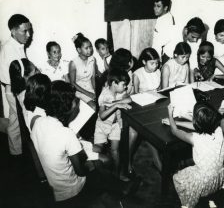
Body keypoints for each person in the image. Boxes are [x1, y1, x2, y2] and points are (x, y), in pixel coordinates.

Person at [30, 80, 140, 206]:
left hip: (53, 181)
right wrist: (92, 163)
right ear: (69, 106)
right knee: (99, 166)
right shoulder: (66, 134)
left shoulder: (37, 122)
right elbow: (81, 171)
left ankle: (118, 187)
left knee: (99, 161)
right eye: (75, 100)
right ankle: (117, 190)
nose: (77, 103)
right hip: (72, 189)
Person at [165, 102, 224, 208]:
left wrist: (170, 116)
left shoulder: (194, 138)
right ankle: (209, 200)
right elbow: (202, 124)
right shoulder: (219, 130)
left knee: (178, 177)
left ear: (196, 122)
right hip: (217, 178)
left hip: (202, 181)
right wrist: (178, 122)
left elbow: (174, 131)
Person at [0, 14, 33, 155]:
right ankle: (35, 155)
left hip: (13, 89)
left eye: (29, 30)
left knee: (14, 122)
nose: (29, 34)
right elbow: (16, 76)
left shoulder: (18, 45)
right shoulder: (9, 48)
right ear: (13, 31)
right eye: (24, 31)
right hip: (15, 90)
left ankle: (15, 152)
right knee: (28, 120)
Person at [93, 69, 132, 180]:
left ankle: (117, 174)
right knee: (98, 150)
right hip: (102, 126)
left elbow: (129, 99)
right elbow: (102, 116)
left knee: (115, 151)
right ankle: (100, 175)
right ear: (114, 83)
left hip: (115, 125)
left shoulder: (121, 92)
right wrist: (116, 106)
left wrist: (115, 103)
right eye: (124, 84)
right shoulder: (104, 95)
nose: (126, 87)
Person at [9, 58, 40, 129]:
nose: (39, 72)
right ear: (26, 77)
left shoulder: (22, 90)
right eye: (35, 71)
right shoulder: (28, 95)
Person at [69, 33, 97, 110]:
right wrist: (89, 94)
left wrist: (96, 92)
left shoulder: (92, 59)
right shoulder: (73, 63)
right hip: (79, 90)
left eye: (90, 46)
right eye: (86, 48)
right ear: (79, 50)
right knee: (93, 107)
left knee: (103, 102)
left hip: (90, 87)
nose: (90, 49)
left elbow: (93, 78)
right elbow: (72, 83)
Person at [151, 0, 175, 64]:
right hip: (158, 52)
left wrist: (155, 58)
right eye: (154, 5)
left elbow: (159, 43)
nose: (155, 8)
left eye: (158, 6)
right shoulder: (163, 16)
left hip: (164, 56)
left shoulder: (167, 21)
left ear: (165, 8)